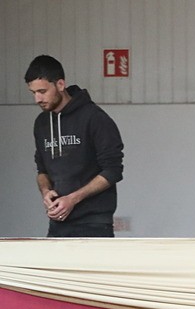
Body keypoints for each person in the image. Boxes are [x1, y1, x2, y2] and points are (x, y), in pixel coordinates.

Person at [25, 55, 124, 237]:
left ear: (60, 85)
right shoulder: (41, 123)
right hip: (58, 222)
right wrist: (46, 192)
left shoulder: (95, 118)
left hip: (94, 223)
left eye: (42, 91)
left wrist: (72, 199)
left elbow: (113, 170)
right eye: (33, 93)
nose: (37, 99)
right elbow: (42, 170)